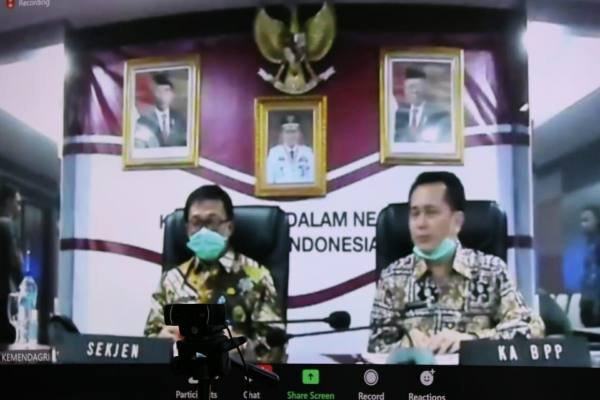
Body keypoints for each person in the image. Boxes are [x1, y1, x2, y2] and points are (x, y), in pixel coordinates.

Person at [368, 172, 544, 355]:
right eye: (415, 214)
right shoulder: (393, 277)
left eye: (431, 212)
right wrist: (406, 345)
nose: (420, 223)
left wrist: (472, 341)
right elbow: (375, 347)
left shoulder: (491, 270)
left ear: (457, 222)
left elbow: (531, 329)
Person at [144, 185, 285, 362]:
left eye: (212, 222)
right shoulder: (171, 280)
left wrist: (240, 346)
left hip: (236, 373)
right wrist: (161, 342)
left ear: (229, 227)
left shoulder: (257, 277)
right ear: (187, 229)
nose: (204, 231)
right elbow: (149, 339)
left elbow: (275, 345)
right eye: (196, 222)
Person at [393, 67, 451, 144]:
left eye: (418, 86)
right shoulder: (399, 115)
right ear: (405, 90)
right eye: (411, 87)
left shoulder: (440, 114)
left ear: (425, 88)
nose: (415, 91)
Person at [134, 73, 187, 148]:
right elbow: (139, 146)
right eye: (159, 91)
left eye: (166, 90)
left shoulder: (180, 119)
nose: (162, 95)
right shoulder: (143, 121)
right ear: (153, 93)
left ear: (172, 94)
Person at [0, 182, 23, 343]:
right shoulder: (7, 225)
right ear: (8, 201)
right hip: (3, 300)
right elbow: (15, 263)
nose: (19, 208)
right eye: (17, 202)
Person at [266, 115, 314, 184]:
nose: (291, 136)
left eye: (293, 132)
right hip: (280, 190)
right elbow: (269, 179)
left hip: (304, 189)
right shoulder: (274, 153)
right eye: (287, 132)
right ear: (282, 134)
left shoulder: (307, 152)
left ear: (299, 134)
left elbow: (313, 178)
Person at [579, 206, 600, 326]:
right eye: (582, 221)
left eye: (586, 220)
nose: (583, 224)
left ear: (597, 220)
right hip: (587, 298)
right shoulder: (589, 244)